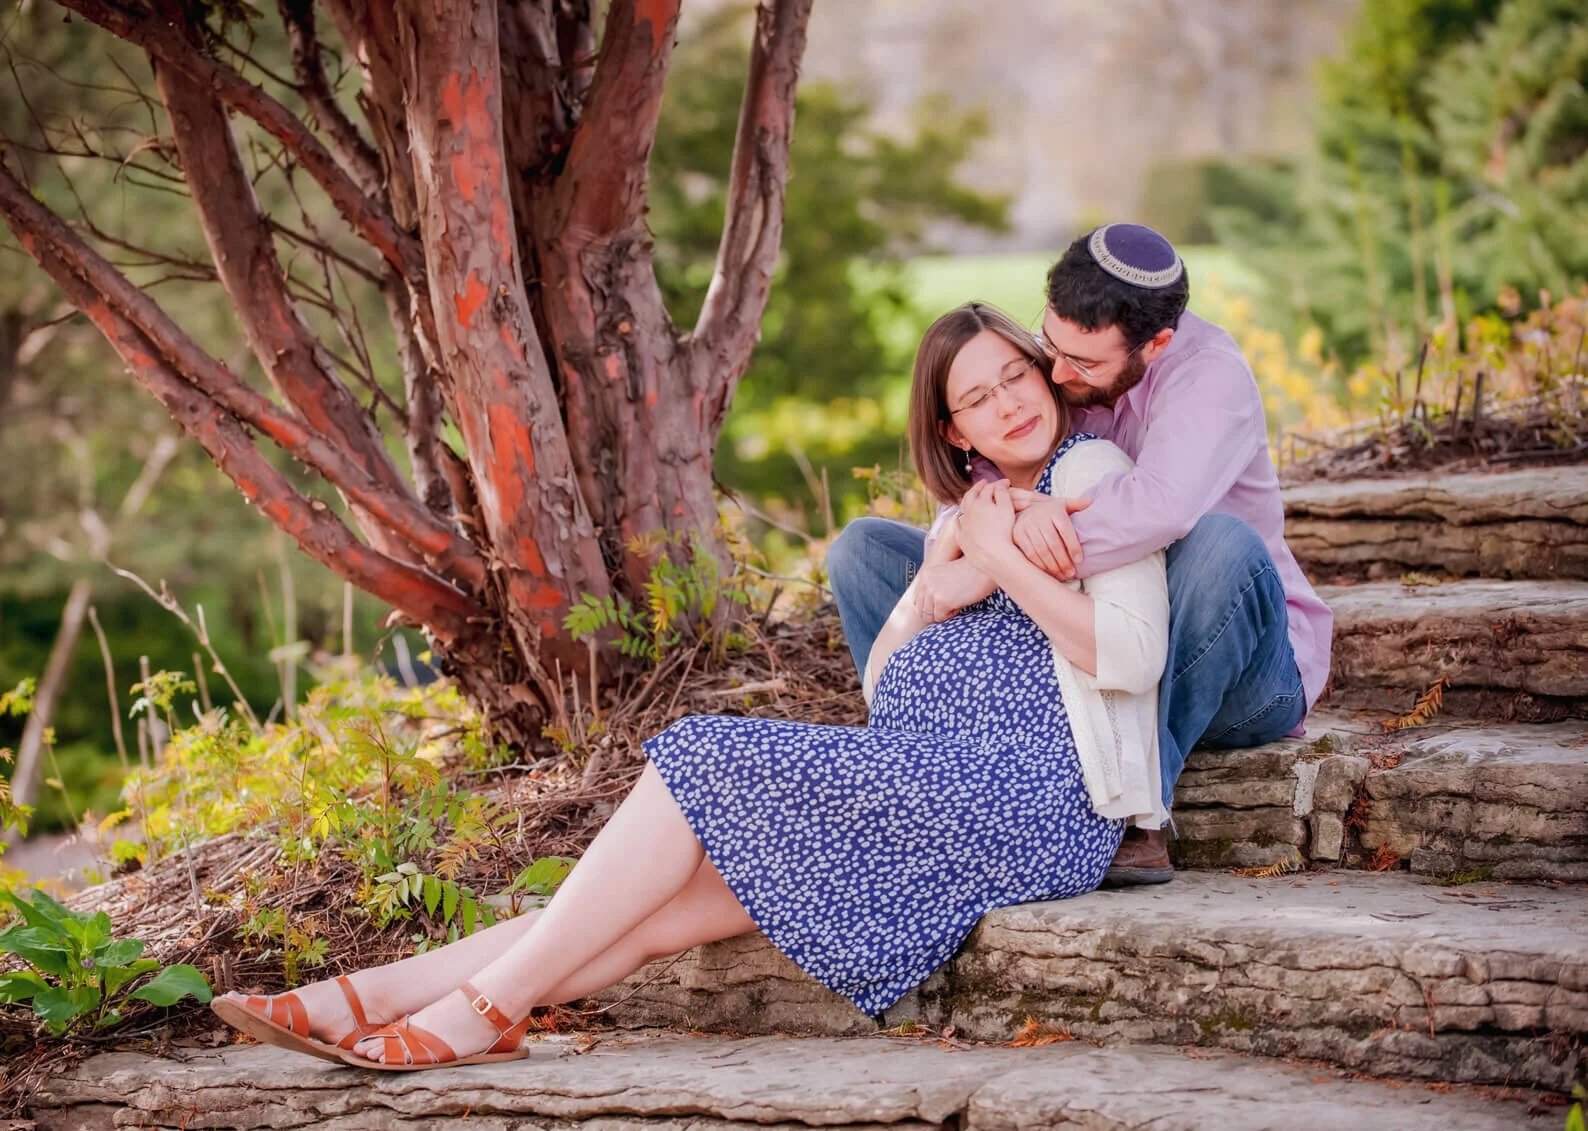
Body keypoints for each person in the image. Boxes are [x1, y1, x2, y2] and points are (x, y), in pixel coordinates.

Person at [210, 302, 1169, 1072]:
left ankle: (482, 1007)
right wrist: (935, 587)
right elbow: (888, 683)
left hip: (1027, 798)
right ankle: (374, 998)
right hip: (921, 777)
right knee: (650, 910)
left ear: (1047, 375)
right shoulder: (965, 515)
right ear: (953, 431)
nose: (1009, 402)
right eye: (978, 396)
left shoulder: (1092, 473)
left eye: (1015, 374)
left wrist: (1007, 559)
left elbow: (1131, 656)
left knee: (698, 756)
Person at [828, 223, 1334, 887]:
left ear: (1155, 345)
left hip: (1229, 664)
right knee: (863, 550)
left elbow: (1157, 511)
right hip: (1095, 640)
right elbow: (993, 478)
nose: (1057, 376)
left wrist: (989, 564)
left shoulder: (1210, 379)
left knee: (1219, 543)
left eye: (1083, 365)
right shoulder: (1065, 366)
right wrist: (958, 539)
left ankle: (1136, 811)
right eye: (1049, 346)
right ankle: (914, 773)